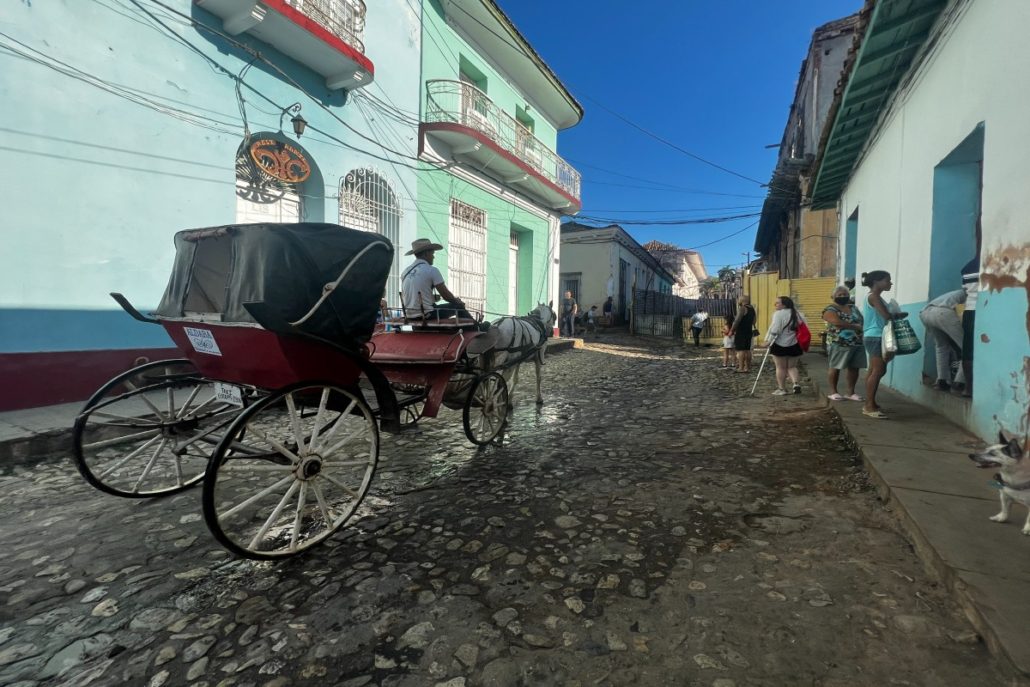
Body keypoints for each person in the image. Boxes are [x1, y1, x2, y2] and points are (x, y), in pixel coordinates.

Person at [861, 270, 908, 419]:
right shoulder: (874, 297)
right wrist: (896, 315)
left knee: (873, 370)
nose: (890, 283)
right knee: (878, 371)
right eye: (887, 280)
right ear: (876, 282)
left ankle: (870, 403)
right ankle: (869, 406)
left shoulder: (874, 297)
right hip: (876, 336)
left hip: (872, 336)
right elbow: (886, 316)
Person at [400, 238, 472, 321]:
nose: (433, 257)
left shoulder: (405, 272)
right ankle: (476, 327)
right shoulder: (431, 270)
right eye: (432, 253)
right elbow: (446, 295)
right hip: (427, 314)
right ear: (426, 253)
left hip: (410, 316)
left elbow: (413, 296)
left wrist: (433, 298)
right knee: (459, 306)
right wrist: (456, 300)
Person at [822, 285, 866, 401]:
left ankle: (850, 393)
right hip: (838, 343)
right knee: (835, 366)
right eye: (839, 295)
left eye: (845, 294)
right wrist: (854, 326)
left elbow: (862, 320)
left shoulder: (853, 308)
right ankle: (833, 392)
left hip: (856, 342)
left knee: (854, 367)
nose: (843, 296)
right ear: (833, 296)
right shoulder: (830, 309)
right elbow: (836, 322)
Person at [919, 289, 966, 391]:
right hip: (943, 313)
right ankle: (960, 381)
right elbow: (963, 315)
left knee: (941, 346)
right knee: (967, 348)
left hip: (925, 313)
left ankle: (942, 380)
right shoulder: (970, 294)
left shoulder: (956, 293)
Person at [765, 296, 806, 395]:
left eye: (777, 303)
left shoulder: (778, 314)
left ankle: (782, 389)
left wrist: (768, 341)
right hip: (795, 344)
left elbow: (775, 330)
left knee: (780, 367)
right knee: (792, 367)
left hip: (779, 344)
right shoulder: (799, 314)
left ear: (784, 304)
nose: (775, 305)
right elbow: (804, 328)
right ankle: (796, 384)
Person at [960, 254, 979, 397]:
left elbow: (966, 292)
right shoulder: (987, 264)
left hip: (969, 310)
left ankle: (969, 387)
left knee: (967, 350)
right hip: (982, 310)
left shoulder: (966, 268)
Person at [729, 295, 757, 373]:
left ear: (742, 300)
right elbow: (754, 321)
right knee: (748, 350)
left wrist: (732, 330)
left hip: (741, 331)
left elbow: (737, 321)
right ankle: (747, 367)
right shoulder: (752, 309)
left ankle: (741, 368)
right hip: (749, 331)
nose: (738, 301)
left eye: (739, 299)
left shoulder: (742, 308)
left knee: (741, 350)